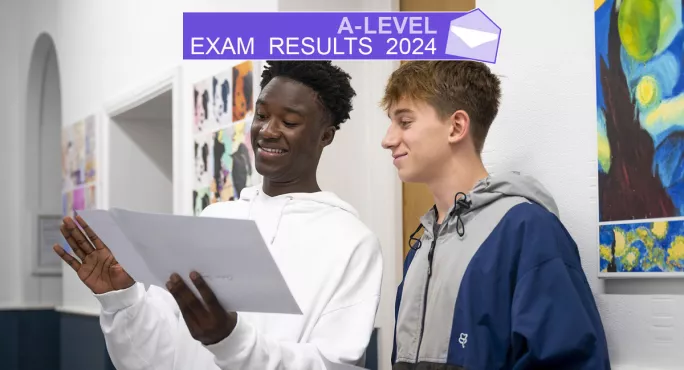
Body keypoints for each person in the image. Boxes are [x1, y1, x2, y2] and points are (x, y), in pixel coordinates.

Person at [54, 60, 383, 370]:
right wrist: (121, 298)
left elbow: (333, 363)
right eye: (262, 115)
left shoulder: (350, 242)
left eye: (289, 122)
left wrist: (230, 340)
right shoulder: (214, 218)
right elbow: (153, 358)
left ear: (326, 136)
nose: (268, 131)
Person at [381, 61, 611, 369]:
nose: (388, 139)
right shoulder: (422, 247)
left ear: (456, 127)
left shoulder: (527, 230)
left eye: (404, 122)